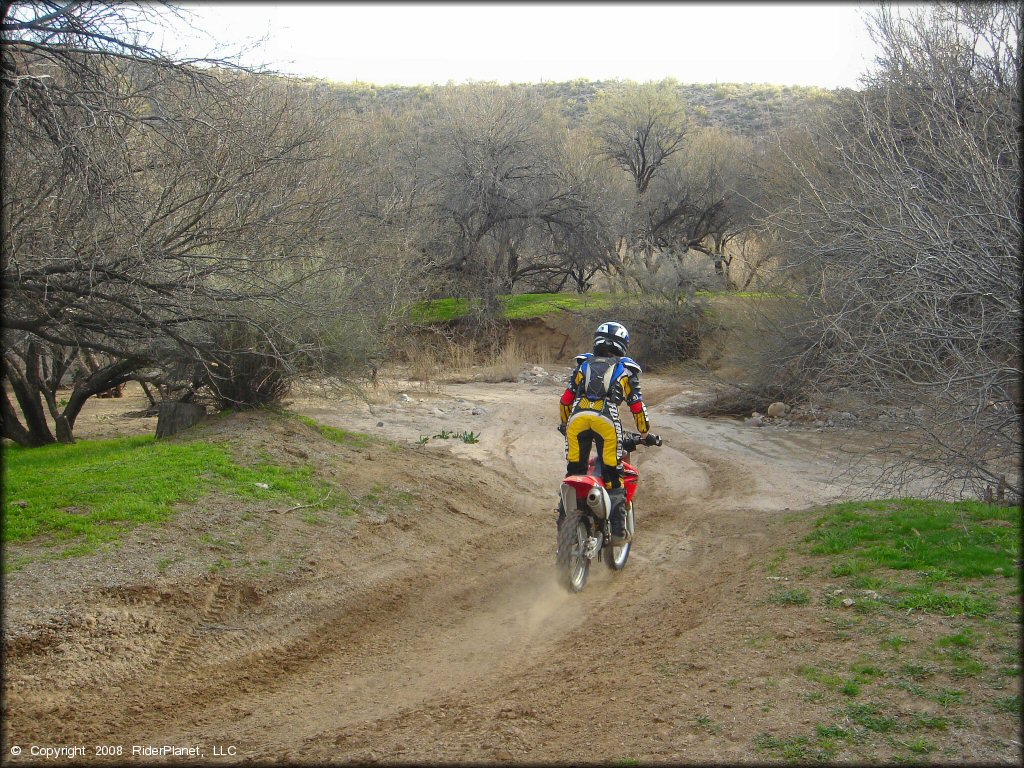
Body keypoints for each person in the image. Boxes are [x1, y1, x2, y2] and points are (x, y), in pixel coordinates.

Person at [558, 321, 650, 545]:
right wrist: (645, 432)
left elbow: (565, 401)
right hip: (606, 421)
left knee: (573, 473)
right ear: (623, 345)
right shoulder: (626, 369)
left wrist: (564, 423)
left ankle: (564, 531)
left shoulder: (582, 365)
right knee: (613, 475)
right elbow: (637, 406)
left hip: (577, 420)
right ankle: (618, 532)